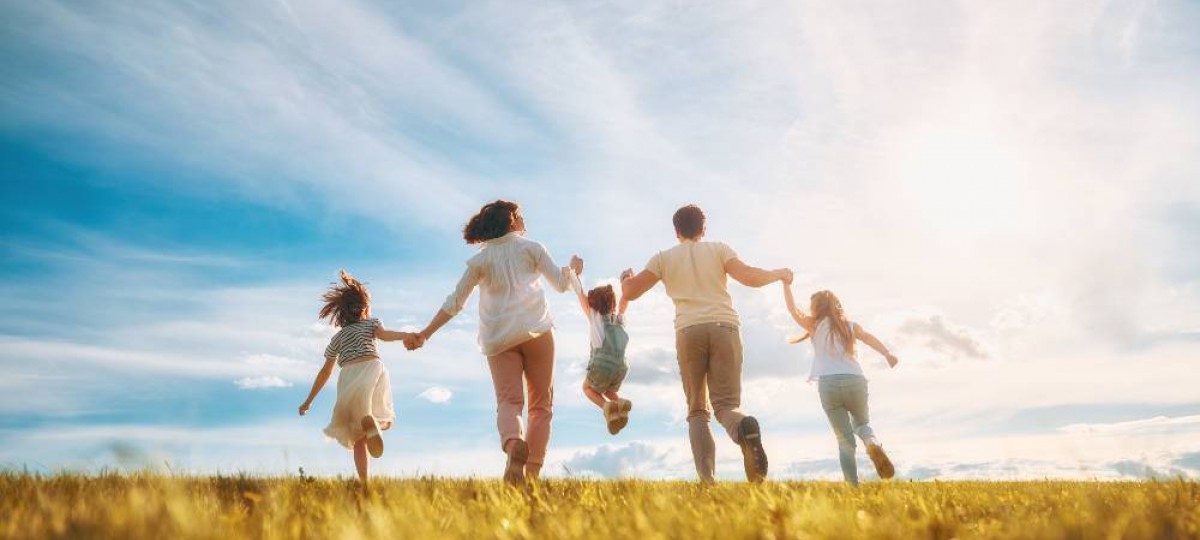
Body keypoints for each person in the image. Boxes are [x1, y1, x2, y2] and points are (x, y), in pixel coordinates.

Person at [408, 200, 581, 485]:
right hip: (537, 332)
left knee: (508, 402)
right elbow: (562, 286)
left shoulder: (480, 261)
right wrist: (573, 270)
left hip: (499, 339)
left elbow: (455, 303)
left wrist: (425, 333)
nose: (525, 221)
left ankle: (514, 445)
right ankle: (532, 477)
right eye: (522, 216)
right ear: (512, 220)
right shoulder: (532, 248)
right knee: (541, 407)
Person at [620, 204, 791, 483]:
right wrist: (779, 274)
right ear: (703, 229)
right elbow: (748, 276)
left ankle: (708, 481)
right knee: (726, 406)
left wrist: (625, 278)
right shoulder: (719, 249)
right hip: (725, 327)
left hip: (688, 332)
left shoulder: (663, 258)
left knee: (698, 409)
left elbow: (631, 292)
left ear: (676, 231)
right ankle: (742, 428)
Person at [298, 270, 418, 483]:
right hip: (373, 369)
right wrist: (405, 335)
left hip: (349, 378)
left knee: (356, 438)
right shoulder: (372, 323)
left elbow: (325, 371)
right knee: (384, 418)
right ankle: (373, 426)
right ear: (364, 308)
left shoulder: (338, 337)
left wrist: (308, 401)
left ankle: (364, 482)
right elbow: (385, 335)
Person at [781, 280, 899, 486]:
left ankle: (853, 489)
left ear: (816, 308)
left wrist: (786, 284)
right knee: (862, 425)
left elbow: (792, 309)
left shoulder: (814, 325)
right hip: (855, 380)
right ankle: (871, 443)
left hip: (829, 386)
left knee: (845, 441)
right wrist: (887, 353)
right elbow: (868, 338)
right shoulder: (850, 326)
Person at [568, 269, 632, 435]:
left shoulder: (594, 316)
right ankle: (620, 403)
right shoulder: (619, 320)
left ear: (593, 304)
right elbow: (625, 301)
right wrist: (626, 279)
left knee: (587, 388)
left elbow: (579, 292)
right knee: (607, 390)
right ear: (613, 305)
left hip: (601, 364)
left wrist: (573, 273)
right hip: (620, 367)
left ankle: (607, 407)